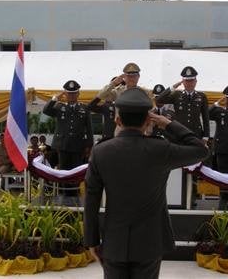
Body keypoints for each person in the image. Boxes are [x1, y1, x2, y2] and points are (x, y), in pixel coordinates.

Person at [84, 88, 209, 279]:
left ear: (118, 120)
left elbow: (91, 200)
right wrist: (168, 123)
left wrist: (91, 240)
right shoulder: (160, 149)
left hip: (114, 241)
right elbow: (201, 150)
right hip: (149, 242)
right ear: (148, 120)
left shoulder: (101, 152)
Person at [43, 80, 93, 170]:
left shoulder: (84, 108)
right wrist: (54, 99)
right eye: (69, 93)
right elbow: (46, 111)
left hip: (78, 145)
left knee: (76, 170)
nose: (71, 96)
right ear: (65, 94)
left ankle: (75, 185)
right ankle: (63, 185)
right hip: (62, 145)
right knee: (63, 170)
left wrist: (89, 145)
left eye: (74, 93)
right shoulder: (59, 107)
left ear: (78, 94)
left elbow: (89, 129)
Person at [156, 66, 209, 140]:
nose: (189, 83)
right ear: (183, 82)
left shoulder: (201, 96)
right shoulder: (177, 95)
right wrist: (173, 87)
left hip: (196, 133)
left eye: (191, 80)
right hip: (179, 133)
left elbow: (205, 117)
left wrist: (206, 137)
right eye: (187, 81)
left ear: (196, 81)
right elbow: (159, 100)